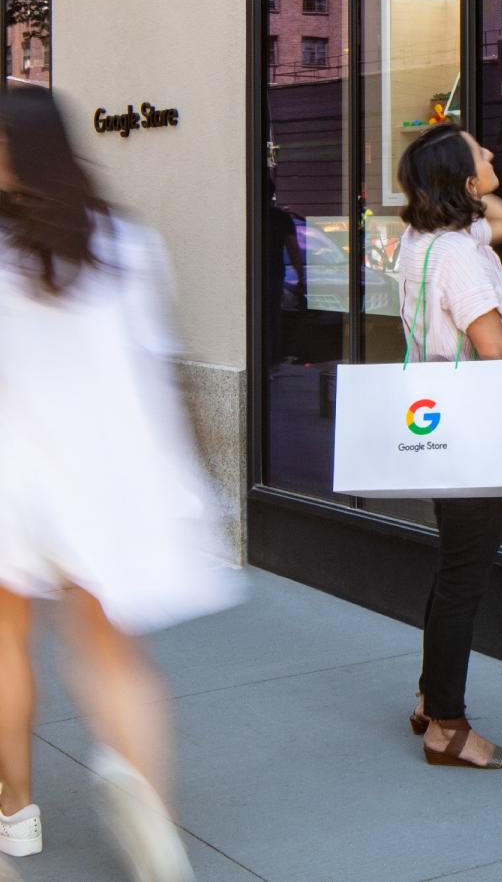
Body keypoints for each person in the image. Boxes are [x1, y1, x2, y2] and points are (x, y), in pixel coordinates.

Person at [0, 88, 243, 879]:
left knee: (6, 647)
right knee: (112, 657)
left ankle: (17, 816)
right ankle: (153, 821)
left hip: (13, 471)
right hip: (104, 476)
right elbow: (155, 370)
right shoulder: (125, 243)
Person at [396, 122, 502, 770]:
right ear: (459, 179)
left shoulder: (424, 240)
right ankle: (448, 727)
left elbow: (500, 219)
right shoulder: (459, 256)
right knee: (464, 579)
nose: (492, 154)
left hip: (444, 424)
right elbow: (491, 347)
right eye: (480, 152)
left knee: (451, 567)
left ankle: (432, 697)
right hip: (479, 425)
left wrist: (469, 183)